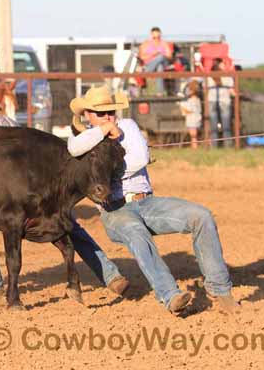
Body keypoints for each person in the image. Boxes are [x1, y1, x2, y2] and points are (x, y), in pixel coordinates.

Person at [67, 86, 240, 315]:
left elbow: (140, 158)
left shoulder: (128, 126)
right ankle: (170, 296)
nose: (108, 117)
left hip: (147, 202)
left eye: (111, 112)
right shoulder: (82, 137)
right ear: (87, 114)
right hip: (116, 211)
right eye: (101, 114)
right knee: (136, 232)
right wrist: (104, 130)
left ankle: (219, 289)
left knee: (202, 216)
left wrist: (106, 172)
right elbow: (73, 147)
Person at [0, 95, 130, 296]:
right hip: (1, 193)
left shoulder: (3, 128)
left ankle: (110, 275)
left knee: (67, 225)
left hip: (37, 189)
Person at [207, 58, 235, 148]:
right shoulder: (227, 76)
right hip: (225, 102)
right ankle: (228, 145)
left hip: (212, 101)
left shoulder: (208, 76)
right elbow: (231, 91)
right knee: (226, 126)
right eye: (223, 64)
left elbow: (205, 88)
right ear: (220, 65)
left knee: (213, 126)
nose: (224, 65)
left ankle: (214, 146)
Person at [139, 27, 173, 95]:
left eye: (158, 36)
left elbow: (169, 56)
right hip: (150, 64)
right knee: (159, 67)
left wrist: (160, 55)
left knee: (160, 58)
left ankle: (147, 73)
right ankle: (160, 92)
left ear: (160, 34)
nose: (156, 38)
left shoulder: (164, 44)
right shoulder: (146, 44)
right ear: (151, 35)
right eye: (154, 36)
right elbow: (142, 57)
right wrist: (153, 54)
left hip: (163, 63)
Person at [180, 80, 202, 149]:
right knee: (193, 136)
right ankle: (194, 146)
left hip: (192, 120)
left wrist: (182, 108)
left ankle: (195, 147)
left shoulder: (192, 100)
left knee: (193, 135)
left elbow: (189, 110)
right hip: (195, 119)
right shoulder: (197, 99)